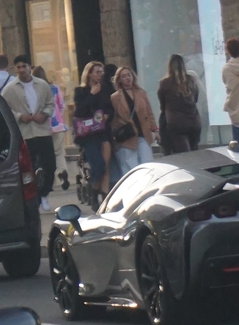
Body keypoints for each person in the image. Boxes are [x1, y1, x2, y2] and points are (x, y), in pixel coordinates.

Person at [2, 55, 56, 211]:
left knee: (50, 165)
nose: (21, 70)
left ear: (29, 67)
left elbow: (50, 104)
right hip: (26, 134)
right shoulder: (10, 89)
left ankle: (45, 192)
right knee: (28, 169)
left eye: (23, 66)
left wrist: (45, 114)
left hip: (42, 130)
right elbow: (7, 110)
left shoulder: (42, 85)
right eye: (18, 67)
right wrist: (20, 117)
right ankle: (34, 198)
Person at [74, 61, 114, 212]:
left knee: (106, 165)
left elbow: (110, 108)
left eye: (101, 72)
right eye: (97, 72)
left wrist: (107, 115)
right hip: (88, 135)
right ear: (89, 74)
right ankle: (93, 192)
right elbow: (80, 112)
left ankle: (104, 197)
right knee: (98, 166)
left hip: (103, 131)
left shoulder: (106, 90)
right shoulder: (81, 91)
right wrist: (91, 94)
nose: (100, 75)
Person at [111, 67, 158, 174]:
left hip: (142, 134)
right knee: (131, 170)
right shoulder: (115, 97)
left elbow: (149, 113)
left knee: (148, 166)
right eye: (123, 76)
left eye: (129, 75)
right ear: (119, 80)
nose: (127, 78)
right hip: (127, 137)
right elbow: (113, 119)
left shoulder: (141, 93)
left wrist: (155, 130)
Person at [32, 66, 70, 191]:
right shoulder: (54, 88)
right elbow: (61, 105)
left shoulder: (34, 90)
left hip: (42, 127)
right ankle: (62, 172)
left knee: (45, 155)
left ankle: (48, 180)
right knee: (59, 153)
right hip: (58, 125)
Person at [158, 54, 201, 154]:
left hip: (176, 123)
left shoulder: (165, 83)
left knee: (184, 155)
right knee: (194, 152)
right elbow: (196, 99)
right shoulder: (191, 80)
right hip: (194, 122)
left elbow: (162, 105)